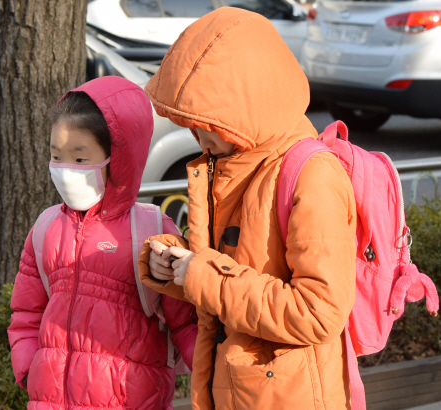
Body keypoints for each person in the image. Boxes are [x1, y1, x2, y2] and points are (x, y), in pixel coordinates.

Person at [138, 7, 357, 410]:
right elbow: (236, 266)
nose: (199, 137)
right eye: (192, 124)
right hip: (239, 389)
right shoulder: (237, 163)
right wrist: (177, 264)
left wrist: (201, 274)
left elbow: (318, 313)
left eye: (208, 123)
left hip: (290, 396)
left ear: (247, 107)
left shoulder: (312, 176)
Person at [8, 76, 197, 410]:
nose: (65, 170)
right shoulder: (46, 227)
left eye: (80, 160)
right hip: (49, 400)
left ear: (120, 158)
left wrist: (215, 377)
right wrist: (27, 368)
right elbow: (26, 312)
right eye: (56, 157)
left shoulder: (152, 230)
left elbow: (185, 322)